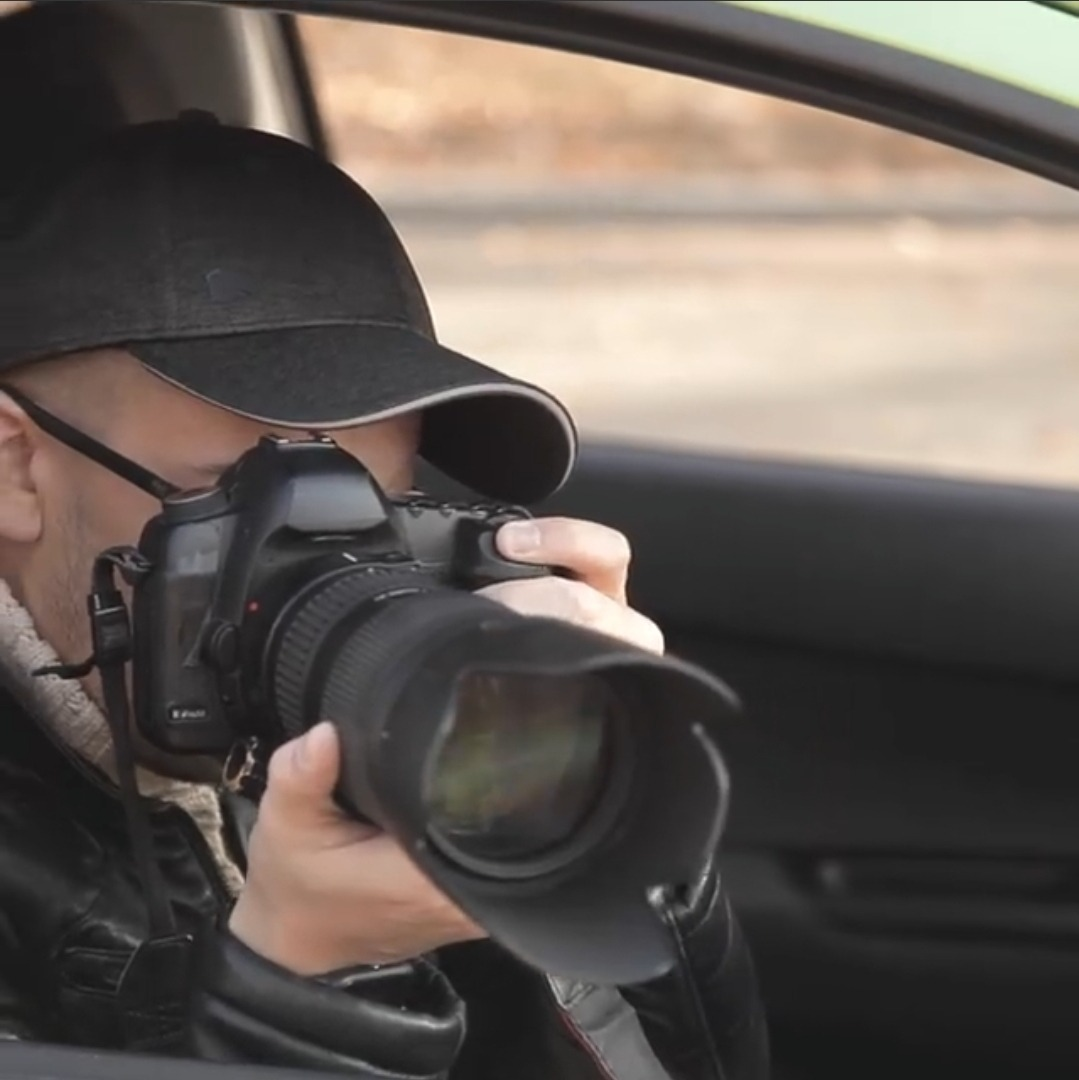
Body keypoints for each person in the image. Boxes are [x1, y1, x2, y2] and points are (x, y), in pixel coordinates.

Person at [0, 112, 769, 1079]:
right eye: (237, 498)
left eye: (382, 504)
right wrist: (302, 985)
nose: (325, 557)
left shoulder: (353, 722)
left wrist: (595, 822)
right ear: (15, 468)